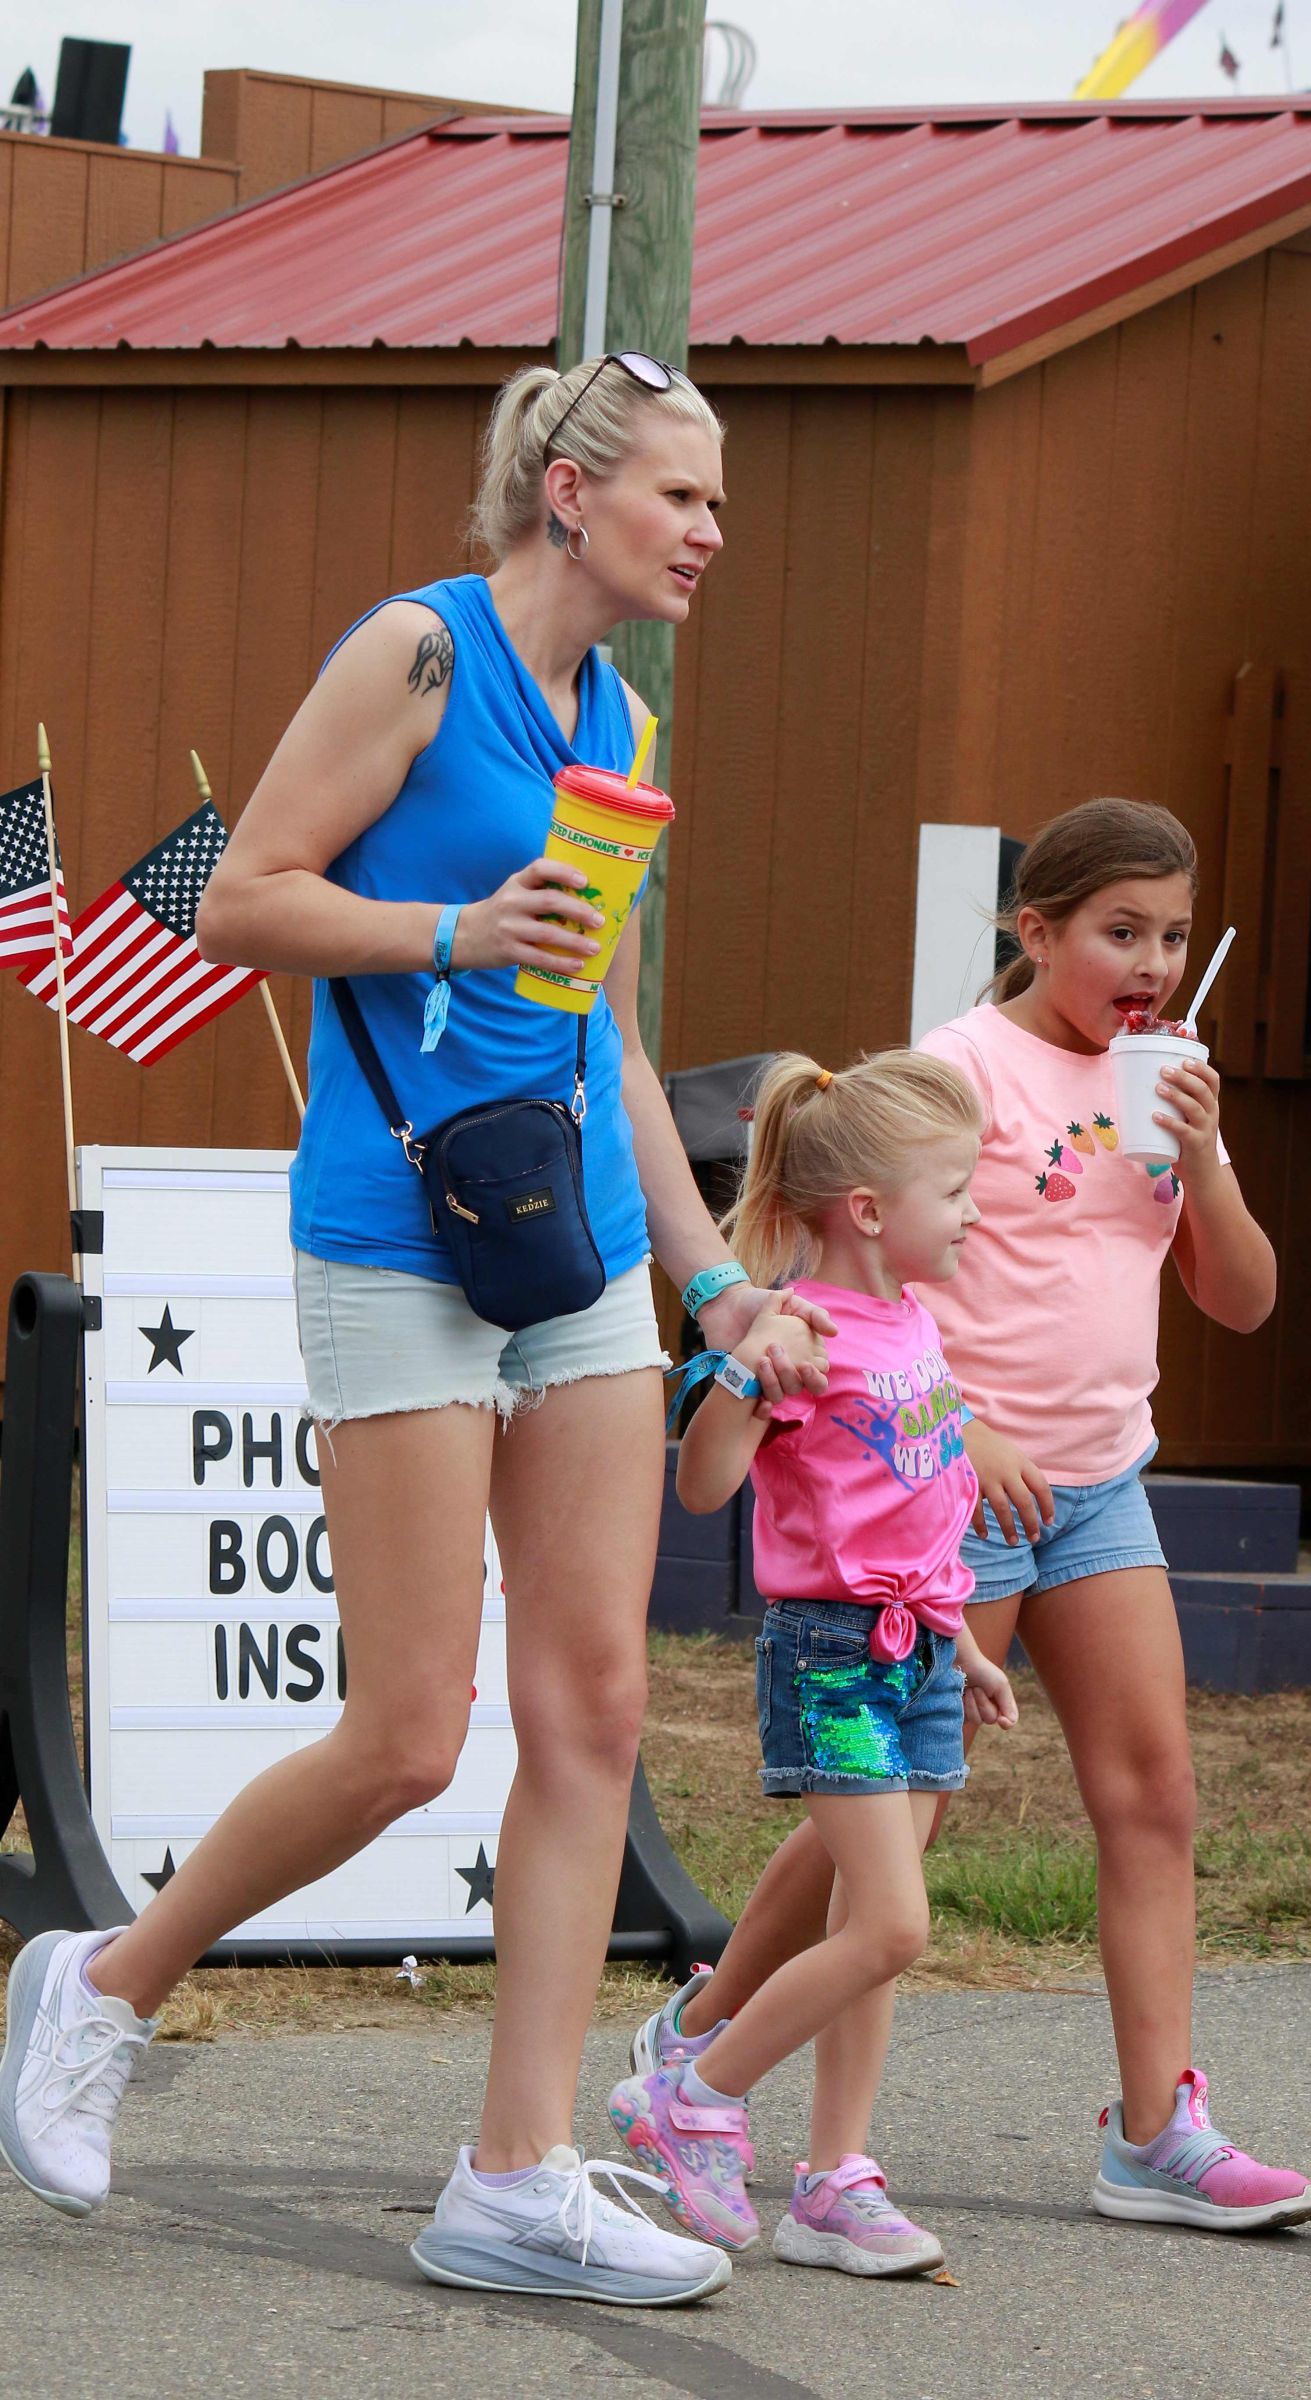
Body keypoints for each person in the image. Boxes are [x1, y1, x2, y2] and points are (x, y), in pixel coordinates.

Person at [0, 352, 832, 2307]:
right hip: (395, 1230)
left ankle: (514, 2171)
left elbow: (606, 1023)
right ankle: (101, 1982)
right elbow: (242, 903)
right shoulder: (420, 657)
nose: (711, 530)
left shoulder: (610, 708)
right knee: (401, 1732)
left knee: (595, 1713)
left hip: (579, 1238)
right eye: (681, 496)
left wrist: (707, 1276)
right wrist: (452, 929)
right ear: (566, 493)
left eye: (717, 503)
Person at [631, 800, 1311, 2234]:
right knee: (887, 1822)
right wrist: (972, 1428)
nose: (1151, 962)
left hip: (1102, 1487)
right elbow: (868, 1276)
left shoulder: (1164, 1079)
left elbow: (1242, 1300)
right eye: (1119, 932)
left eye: (1176, 936)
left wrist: (1205, 1159)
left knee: (1152, 1795)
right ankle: (712, 2043)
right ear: (1037, 931)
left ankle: (1157, 2134)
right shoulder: (959, 1067)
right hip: (949, 1490)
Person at [608, 1052, 1017, 2275]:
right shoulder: (804, 1325)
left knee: (863, 1912)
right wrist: (742, 1362)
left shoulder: (911, 1325)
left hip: (918, 1653)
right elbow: (703, 1485)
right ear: (872, 1211)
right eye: (957, 1189)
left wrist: (960, 1647)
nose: (975, 1210)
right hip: (835, 1654)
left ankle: (835, 2178)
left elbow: (918, 1505)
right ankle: (696, 2089)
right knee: (892, 1924)